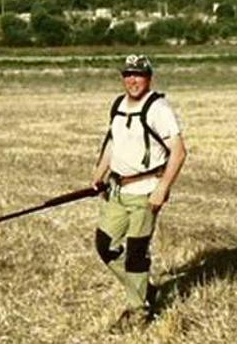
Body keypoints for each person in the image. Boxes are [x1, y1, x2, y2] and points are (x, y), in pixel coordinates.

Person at [91, 54, 187, 333]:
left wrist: (162, 189)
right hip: (117, 191)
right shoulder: (118, 105)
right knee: (105, 246)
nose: (132, 80)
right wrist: (99, 174)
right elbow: (113, 142)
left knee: (135, 254)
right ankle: (146, 290)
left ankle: (138, 311)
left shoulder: (159, 108)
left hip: (145, 192)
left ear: (149, 78)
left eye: (139, 74)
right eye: (128, 74)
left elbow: (179, 153)